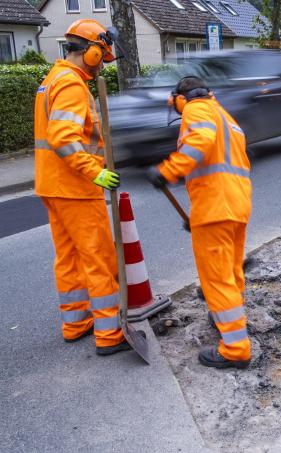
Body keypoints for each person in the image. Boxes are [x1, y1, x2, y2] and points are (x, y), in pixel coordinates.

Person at [34, 19, 136, 355]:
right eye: (102, 56)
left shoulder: (51, 80)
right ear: (91, 52)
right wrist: (95, 172)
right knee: (98, 257)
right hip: (75, 187)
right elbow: (63, 138)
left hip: (53, 185)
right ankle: (110, 333)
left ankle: (76, 322)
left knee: (69, 257)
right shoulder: (72, 85)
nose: (102, 64)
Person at [147, 76, 253, 369]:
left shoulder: (196, 109)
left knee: (216, 280)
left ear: (180, 98)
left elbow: (200, 141)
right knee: (231, 271)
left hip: (215, 207)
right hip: (236, 205)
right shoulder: (224, 116)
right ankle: (224, 319)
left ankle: (235, 349)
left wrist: (167, 171)